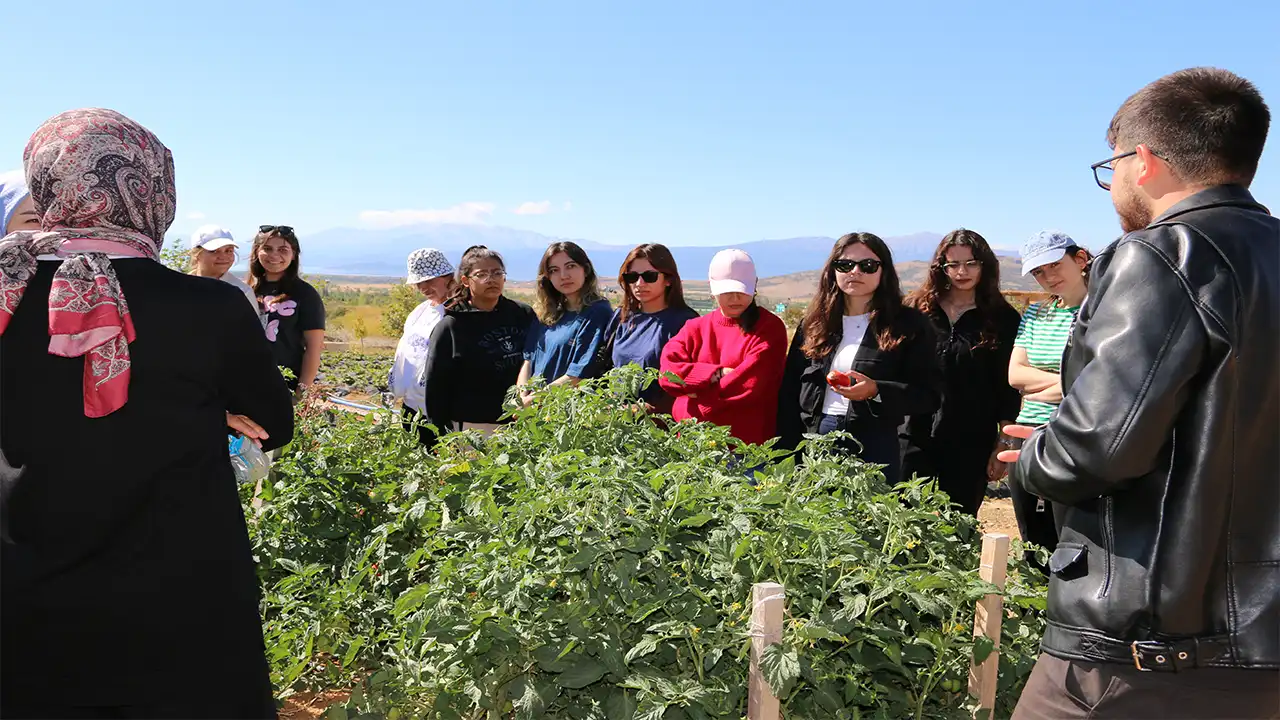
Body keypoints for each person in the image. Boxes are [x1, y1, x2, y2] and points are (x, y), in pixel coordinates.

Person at [999, 68, 1278, 719]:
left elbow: (1099, 446)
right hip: (1260, 650)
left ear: (1143, 160)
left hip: (1143, 649)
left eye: (1112, 167)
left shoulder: (1163, 252)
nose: (1114, 186)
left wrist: (1036, 455)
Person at [0, 108, 293, 719]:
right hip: (177, 578)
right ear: (154, 188)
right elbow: (273, 423)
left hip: (27, 571)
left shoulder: (9, 292)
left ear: (48, 182)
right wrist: (212, 409)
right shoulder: (210, 308)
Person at [777, 233, 940, 484]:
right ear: (832, 271)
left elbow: (928, 395)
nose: (855, 272)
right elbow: (790, 391)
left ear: (883, 271)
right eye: (845, 265)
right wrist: (786, 452)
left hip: (876, 443)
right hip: (817, 438)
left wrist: (876, 391)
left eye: (868, 265)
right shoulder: (814, 324)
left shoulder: (909, 325)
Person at [901, 229, 1022, 514]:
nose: (961, 272)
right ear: (940, 268)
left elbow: (1007, 389)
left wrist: (1003, 443)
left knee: (958, 525)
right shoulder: (916, 311)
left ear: (984, 266)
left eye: (970, 263)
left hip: (970, 441)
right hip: (911, 434)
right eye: (953, 264)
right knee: (901, 521)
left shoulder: (1003, 318)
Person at [1006, 230, 1091, 570]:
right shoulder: (1035, 315)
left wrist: (1048, 384)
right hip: (1027, 432)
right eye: (1039, 271)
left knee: (1072, 537)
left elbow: (1100, 378)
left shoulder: (1102, 313)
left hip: (1075, 432)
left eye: (1055, 265)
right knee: (1033, 538)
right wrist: (1066, 383)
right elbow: (1015, 375)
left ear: (1080, 259)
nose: (1048, 277)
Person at [659, 249, 787, 445]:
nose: (735, 298)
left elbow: (749, 385)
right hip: (691, 444)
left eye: (742, 290)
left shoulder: (768, 329)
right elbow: (667, 373)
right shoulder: (695, 328)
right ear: (712, 288)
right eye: (726, 291)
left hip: (743, 449)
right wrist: (715, 374)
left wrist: (693, 394)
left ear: (754, 286)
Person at [425, 246, 536, 438]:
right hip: (472, 429)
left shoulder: (522, 315)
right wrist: (442, 437)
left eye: (497, 273)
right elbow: (435, 388)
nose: (491, 279)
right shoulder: (451, 326)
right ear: (466, 281)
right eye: (481, 274)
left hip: (521, 422)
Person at [602, 243, 698, 414]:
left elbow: (689, 382)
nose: (640, 283)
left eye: (650, 276)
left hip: (659, 423)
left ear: (668, 280)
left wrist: (647, 410)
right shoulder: (622, 317)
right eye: (632, 277)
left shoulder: (686, 323)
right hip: (614, 421)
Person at [518, 241, 613, 404]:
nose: (563, 276)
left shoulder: (597, 312)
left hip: (566, 411)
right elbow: (529, 360)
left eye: (571, 266)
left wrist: (533, 400)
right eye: (554, 270)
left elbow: (578, 374)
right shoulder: (547, 313)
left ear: (586, 269)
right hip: (533, 410)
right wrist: (521, 396)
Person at [248, 225, 325, 397]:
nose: (274, 255)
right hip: (245, 384)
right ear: (257, 252)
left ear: (294, 254)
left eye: (283, 250)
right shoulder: (247, 291)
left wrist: (301, 394)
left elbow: (314, 348)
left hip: (286, 386)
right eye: (267, 249)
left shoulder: (305, 294)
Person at [388, 248, 455, 444]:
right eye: (418, 283)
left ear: (447, 277)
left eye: (429, 280)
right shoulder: (420, 312)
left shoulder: (458, 313)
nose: (423, 287)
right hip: (412, 408)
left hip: (443, 413)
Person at [188, 224, 260, 320]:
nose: (223, 256)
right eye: (214, 251)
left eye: (228, 251)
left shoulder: (242, 292)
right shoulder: (181, 287)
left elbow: (252, 328)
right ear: (196, 254)